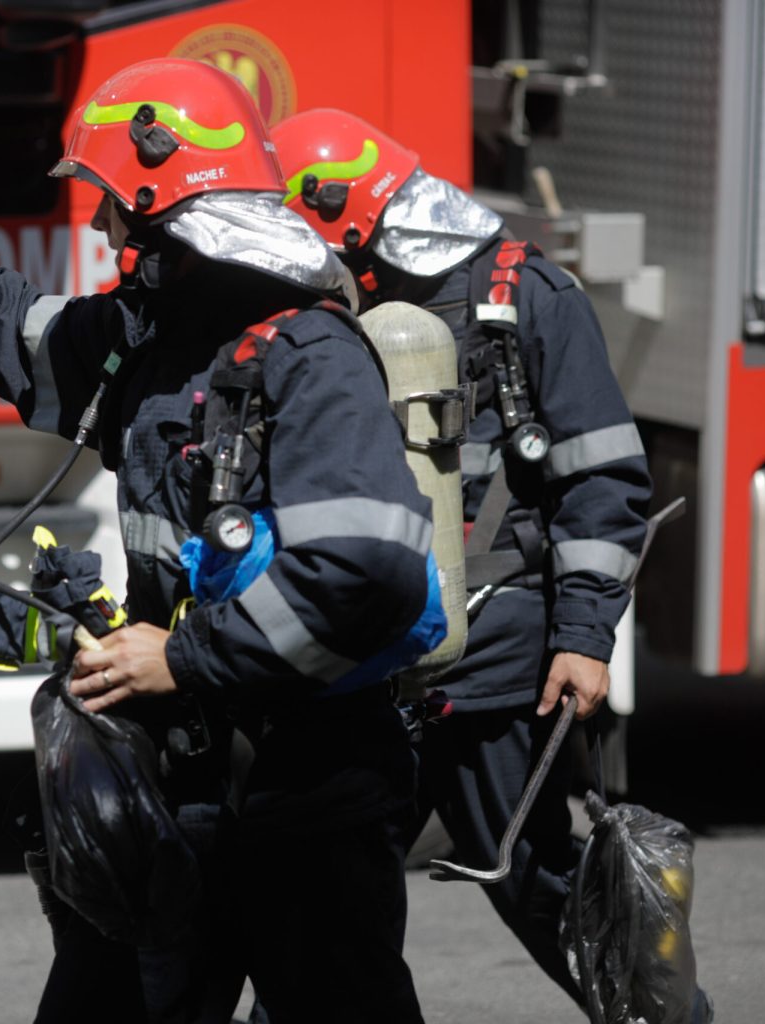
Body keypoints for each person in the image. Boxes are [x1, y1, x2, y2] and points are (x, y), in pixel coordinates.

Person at [0, 62, 435, 1023]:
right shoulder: (145, 347)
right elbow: (0, 324)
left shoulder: (311, 360)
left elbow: (369, 574)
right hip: (176, 793)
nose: (104, 230)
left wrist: (184, 658)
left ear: (169, 212)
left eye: (116, 207)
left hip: (308, 804)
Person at [271, 108, 653, 1010]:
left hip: (495, 669)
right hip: (365, 662)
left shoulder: (528, 297)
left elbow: (603, 482)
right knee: (319, 907)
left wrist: (586, 637)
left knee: (544, 891)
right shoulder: (330, 309)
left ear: (346, 209)